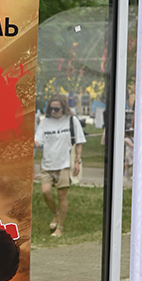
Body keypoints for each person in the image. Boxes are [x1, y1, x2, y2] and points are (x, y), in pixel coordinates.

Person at [34, 94, 85, 238]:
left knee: (62, 195)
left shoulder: (72, 120)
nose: (53, 111)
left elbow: (79, 142)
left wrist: (77, 161)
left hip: (64, 164)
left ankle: (60, 228)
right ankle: (56, 214)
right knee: (45, 192)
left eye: (57, 109)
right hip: (47, 164)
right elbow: (38, 140)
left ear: (63, 108)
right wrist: (33, 142)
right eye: (51, 108)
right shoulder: (45, 122)